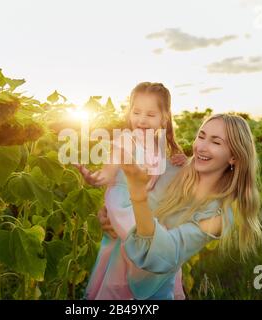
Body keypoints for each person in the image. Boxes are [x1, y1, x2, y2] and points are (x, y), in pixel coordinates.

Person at [118, 113, 262, 299]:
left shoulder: (218, 217)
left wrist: (137, 195)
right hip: (112, 277)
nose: (201, 147)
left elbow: (163, 254)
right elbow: (121, 198)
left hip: (150, 293)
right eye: (201, 136)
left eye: (216, 142)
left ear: (234, 157)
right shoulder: (172, 168)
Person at [76, 82, 187, 299]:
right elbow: (108, 173)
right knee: (135, 266)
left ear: (164, 118)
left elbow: (173, 185)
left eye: (150, 114)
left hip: (148, 211)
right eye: (136, 112)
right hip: (124, 208)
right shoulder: (124, 141)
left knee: (130, 269)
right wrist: (95, 178)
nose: (142, 119)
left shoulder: (163, 148)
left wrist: (183, 163)